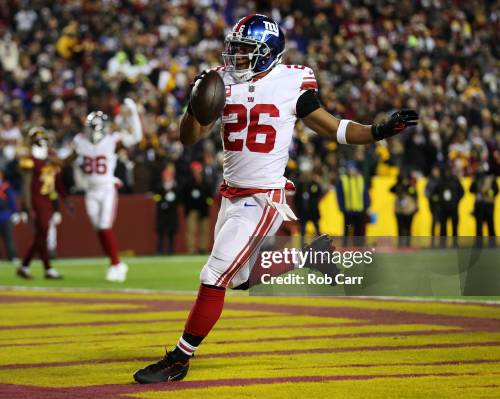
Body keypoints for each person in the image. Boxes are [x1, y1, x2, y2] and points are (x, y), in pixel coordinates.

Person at [133, 14, 418, 383]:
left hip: (264, 196)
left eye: (244, 51)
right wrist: (194, 106)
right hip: (231, 194)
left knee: (215, 273)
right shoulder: (222, 81)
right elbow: (190, 137)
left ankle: (179, 359)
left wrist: (378, 130)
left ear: (267, 54)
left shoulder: (292, 81)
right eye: (234, 49)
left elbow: (334, 128)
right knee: (239, 280)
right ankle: (309, 255)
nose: (235, 57)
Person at [70, 98, 142, 282]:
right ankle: (115, 263)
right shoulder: (79, 141)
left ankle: (116, 264)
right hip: (90, 190)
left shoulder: (112, 140)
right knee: (99, 228)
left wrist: (133, 113)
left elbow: (136, 138)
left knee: (104, 225)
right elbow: (68, 157)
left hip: (107, 187)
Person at [16, 127, 67, 279]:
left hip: (48, 199)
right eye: (39, 140)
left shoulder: (50, 157)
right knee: (43, 231)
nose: (42, 142)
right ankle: (40, 267)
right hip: (36, 199)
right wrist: (26, 206)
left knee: (41, 235)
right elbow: (26, 184)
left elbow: (63, 165)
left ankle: (32, 267)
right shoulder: (29, 160)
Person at [181, 161, 214, 254]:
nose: (198, 173)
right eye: (196, 171)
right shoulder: (188, 183)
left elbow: (210, 196)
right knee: (191, 230)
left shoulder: (206, 183)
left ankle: (203, 248)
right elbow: (184, 196)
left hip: (204, 210)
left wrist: (208, 202)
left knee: (204, 230)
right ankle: (191, 249)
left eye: (199, 171)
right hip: (192, 210)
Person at [336, 161, 370, 247]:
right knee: (347, 230)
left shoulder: (360, 179)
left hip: (360, 210)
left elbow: (365, 193)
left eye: (352, 169)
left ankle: (358, 248)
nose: (351, 171)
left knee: (359, 232)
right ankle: (345, 247)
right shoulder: (343, 180)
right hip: (348, 211)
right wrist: (341, 207)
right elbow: (340, 194)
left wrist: (366, 205)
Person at [153, 164, 180, 255]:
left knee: (171, 232)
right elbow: (156, 197)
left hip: (172, 212)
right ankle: (159, 250)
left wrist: (170, 204)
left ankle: (171, 250)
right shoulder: (159, 186)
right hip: (162, 213)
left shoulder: (175, 186)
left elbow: (178, 198)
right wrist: (162, 203)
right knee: (161, 232)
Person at [470, 163, 498, 247]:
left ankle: (492, 243)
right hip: (479, 204)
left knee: (490, 224)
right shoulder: (477, 179)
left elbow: (496, 191)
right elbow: (471, 190)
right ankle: (479, 244)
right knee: (479, 225)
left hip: (488, 204)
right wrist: (474, 181)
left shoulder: (491, 178)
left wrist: (489, 192)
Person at [390, 172, 418, 247]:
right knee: (400, 228)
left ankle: (408, 243)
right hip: (399, 210)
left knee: (408, 227)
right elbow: (391, 189)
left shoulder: (410, 186)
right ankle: (400, 243)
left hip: (409, 210)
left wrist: (416, 207)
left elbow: (415, 195)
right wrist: (399, 184)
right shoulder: (398, 186)